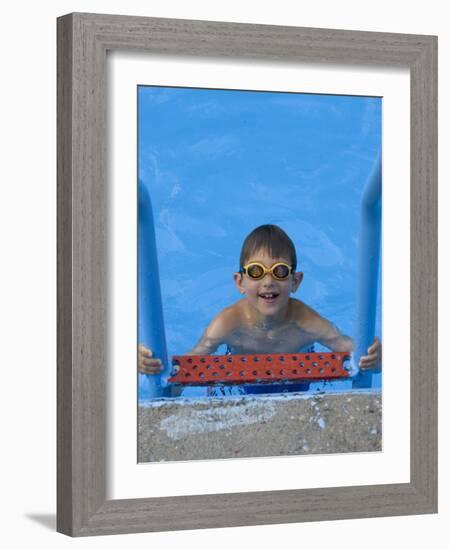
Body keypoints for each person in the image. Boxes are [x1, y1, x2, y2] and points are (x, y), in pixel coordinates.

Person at [138, 224, 381, 393]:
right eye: (256, 271)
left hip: (300, 381)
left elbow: (355, 353)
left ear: (295, 282)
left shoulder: (306, 322)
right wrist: (154, 370)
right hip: (243, 381)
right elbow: (186, 370)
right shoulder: (228, 323)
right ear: (239, 282)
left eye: (280, 271)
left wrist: (377, 358)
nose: (268, 281)